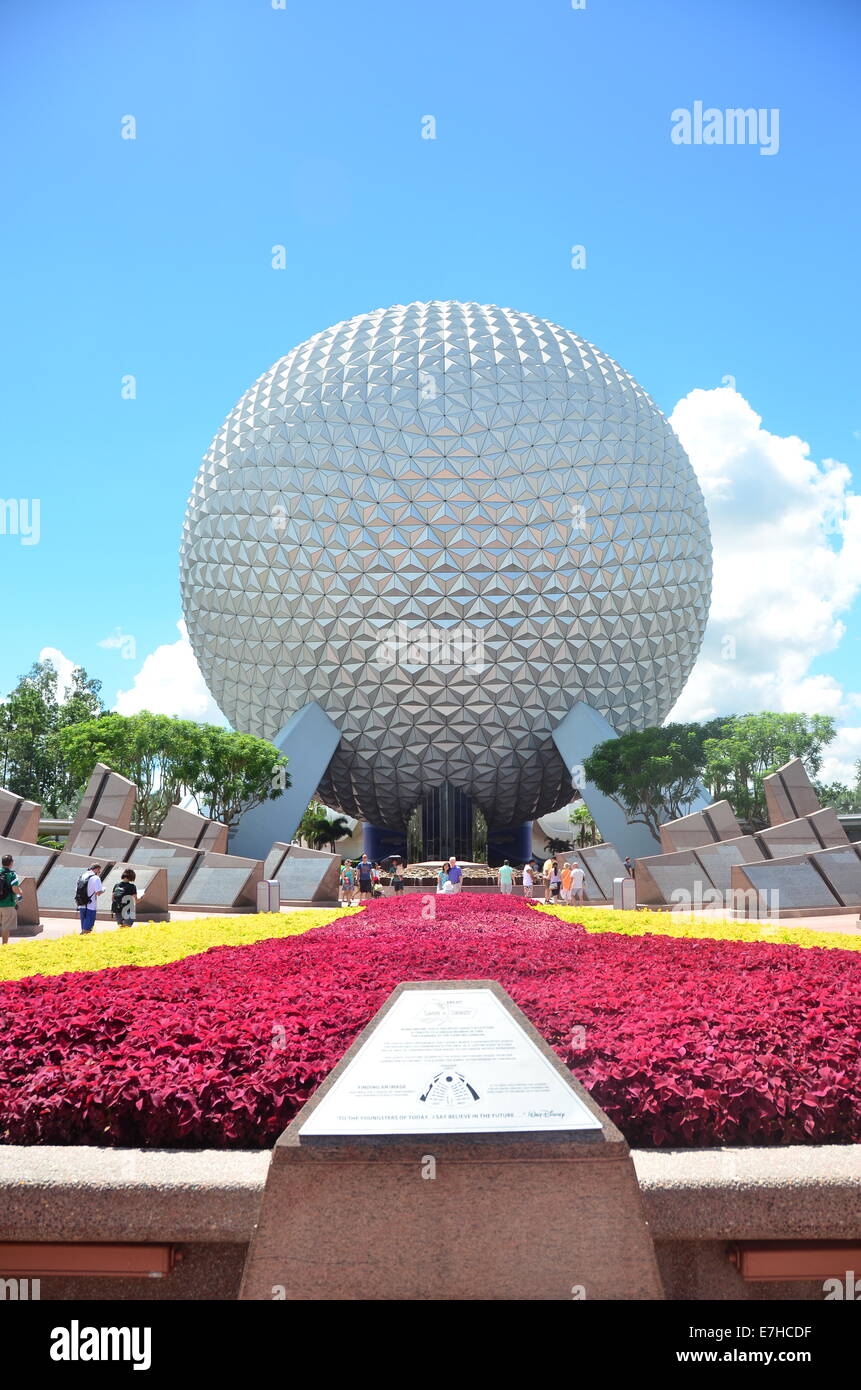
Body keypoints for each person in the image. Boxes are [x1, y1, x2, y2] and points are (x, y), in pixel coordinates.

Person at [0, 854, 23, 946]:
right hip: (8, 904)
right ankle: (4, 947)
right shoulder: (12, 875)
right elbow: (15, 889)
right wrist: (20, 893)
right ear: (11, 863)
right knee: (6, 926)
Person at [77, 862, 104, 934]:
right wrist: (103, 890)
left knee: (84, 927)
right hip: (91, 906)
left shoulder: (81, 876)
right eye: (99, 870)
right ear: (97, 869)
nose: (99, 872)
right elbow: (98, 893)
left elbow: (76, 889)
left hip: (81, 904)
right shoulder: (95, 878)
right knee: (87, 930)